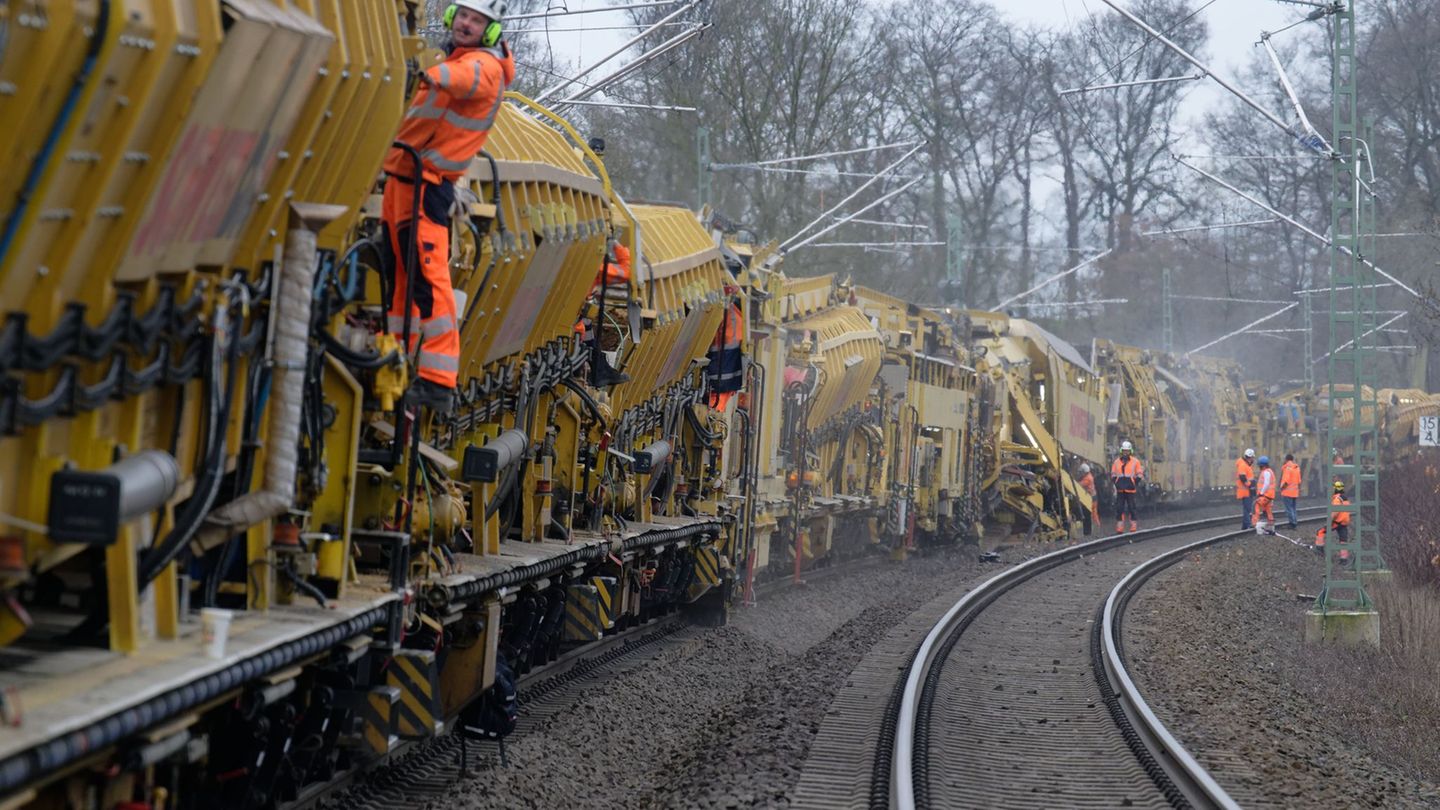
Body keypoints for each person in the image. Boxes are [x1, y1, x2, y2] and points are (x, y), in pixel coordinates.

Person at [381, 0, 515, 414]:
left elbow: (461, 78)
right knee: (399, 278)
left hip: (428, 186)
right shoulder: (452, 58)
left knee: (430, 279)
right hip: (401, 181)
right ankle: (395, 360)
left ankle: (439, 380)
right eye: (463, 16)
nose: (466, 24)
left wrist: (418, 70)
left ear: (491, 32)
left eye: (477, 20)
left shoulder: (485, 67)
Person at [574, 238, 632, 386]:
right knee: (584, 322)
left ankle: (599, 367)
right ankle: (599, 370)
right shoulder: (593, 267)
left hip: (570, 330)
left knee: (586, 323)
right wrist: (615, 244)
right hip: (573, 334)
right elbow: (626, 271)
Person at [1110, 441, 1143, 533]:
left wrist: (1134, 482)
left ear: (1130, 451)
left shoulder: (1135, 462)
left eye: (1127, 451)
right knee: (1119, 508)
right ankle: (1120, 527)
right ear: (1121, 451)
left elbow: (1140, 474)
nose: (1125, 453)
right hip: (1120, 489)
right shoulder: (1116, 462)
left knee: (1132, 507)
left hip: (1130, 489)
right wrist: (1116, 482)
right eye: (1124, 451)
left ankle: (1133, 526)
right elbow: (1113, 474)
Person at [1252, 455, 1276, 535]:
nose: (1259, 467)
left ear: (1262, 465)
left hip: (1265, 495)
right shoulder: (1270, 471)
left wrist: (1261, 492)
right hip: (1269, 496)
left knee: (1256, 505)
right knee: (1268, 510)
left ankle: (1254, 524)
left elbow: (1266, 483)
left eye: (1259, 465)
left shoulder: (1266, 472)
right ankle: (1271, 526)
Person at [1235, 448, 1256, 530]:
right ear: (1249, 457)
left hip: (1247, 491)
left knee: (1247, 508)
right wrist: (1250, 485)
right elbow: (1242, 477)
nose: (1253, 459)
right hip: (1245, 491)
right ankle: (1247, 525)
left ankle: (1244, 526)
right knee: (1247, 509)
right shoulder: (1243, 465)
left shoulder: (1245, 465)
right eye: (1252, 458)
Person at [1279, 453, 1301, 529]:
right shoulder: (1296, 468)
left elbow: (1286, 481)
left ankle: (1292, 524)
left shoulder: (1287, 468)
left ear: (1286, 459)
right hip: (1295, 492)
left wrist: (1281, 488)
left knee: (1289, 509)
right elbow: (1299, 481)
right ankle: (1294, 522)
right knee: (1293, 508)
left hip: (1287, 492)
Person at [1077, 462, 1100, 533]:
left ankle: (1094, 528)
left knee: (1092, 514)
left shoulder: (1087, 479)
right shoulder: (1089, 476)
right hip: (1093, 497)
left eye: (1081, 472)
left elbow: (1079, 485)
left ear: (1084, 471)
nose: (1080, 473)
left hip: (1091, 499)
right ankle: (1095, 528)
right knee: (1093, 513)